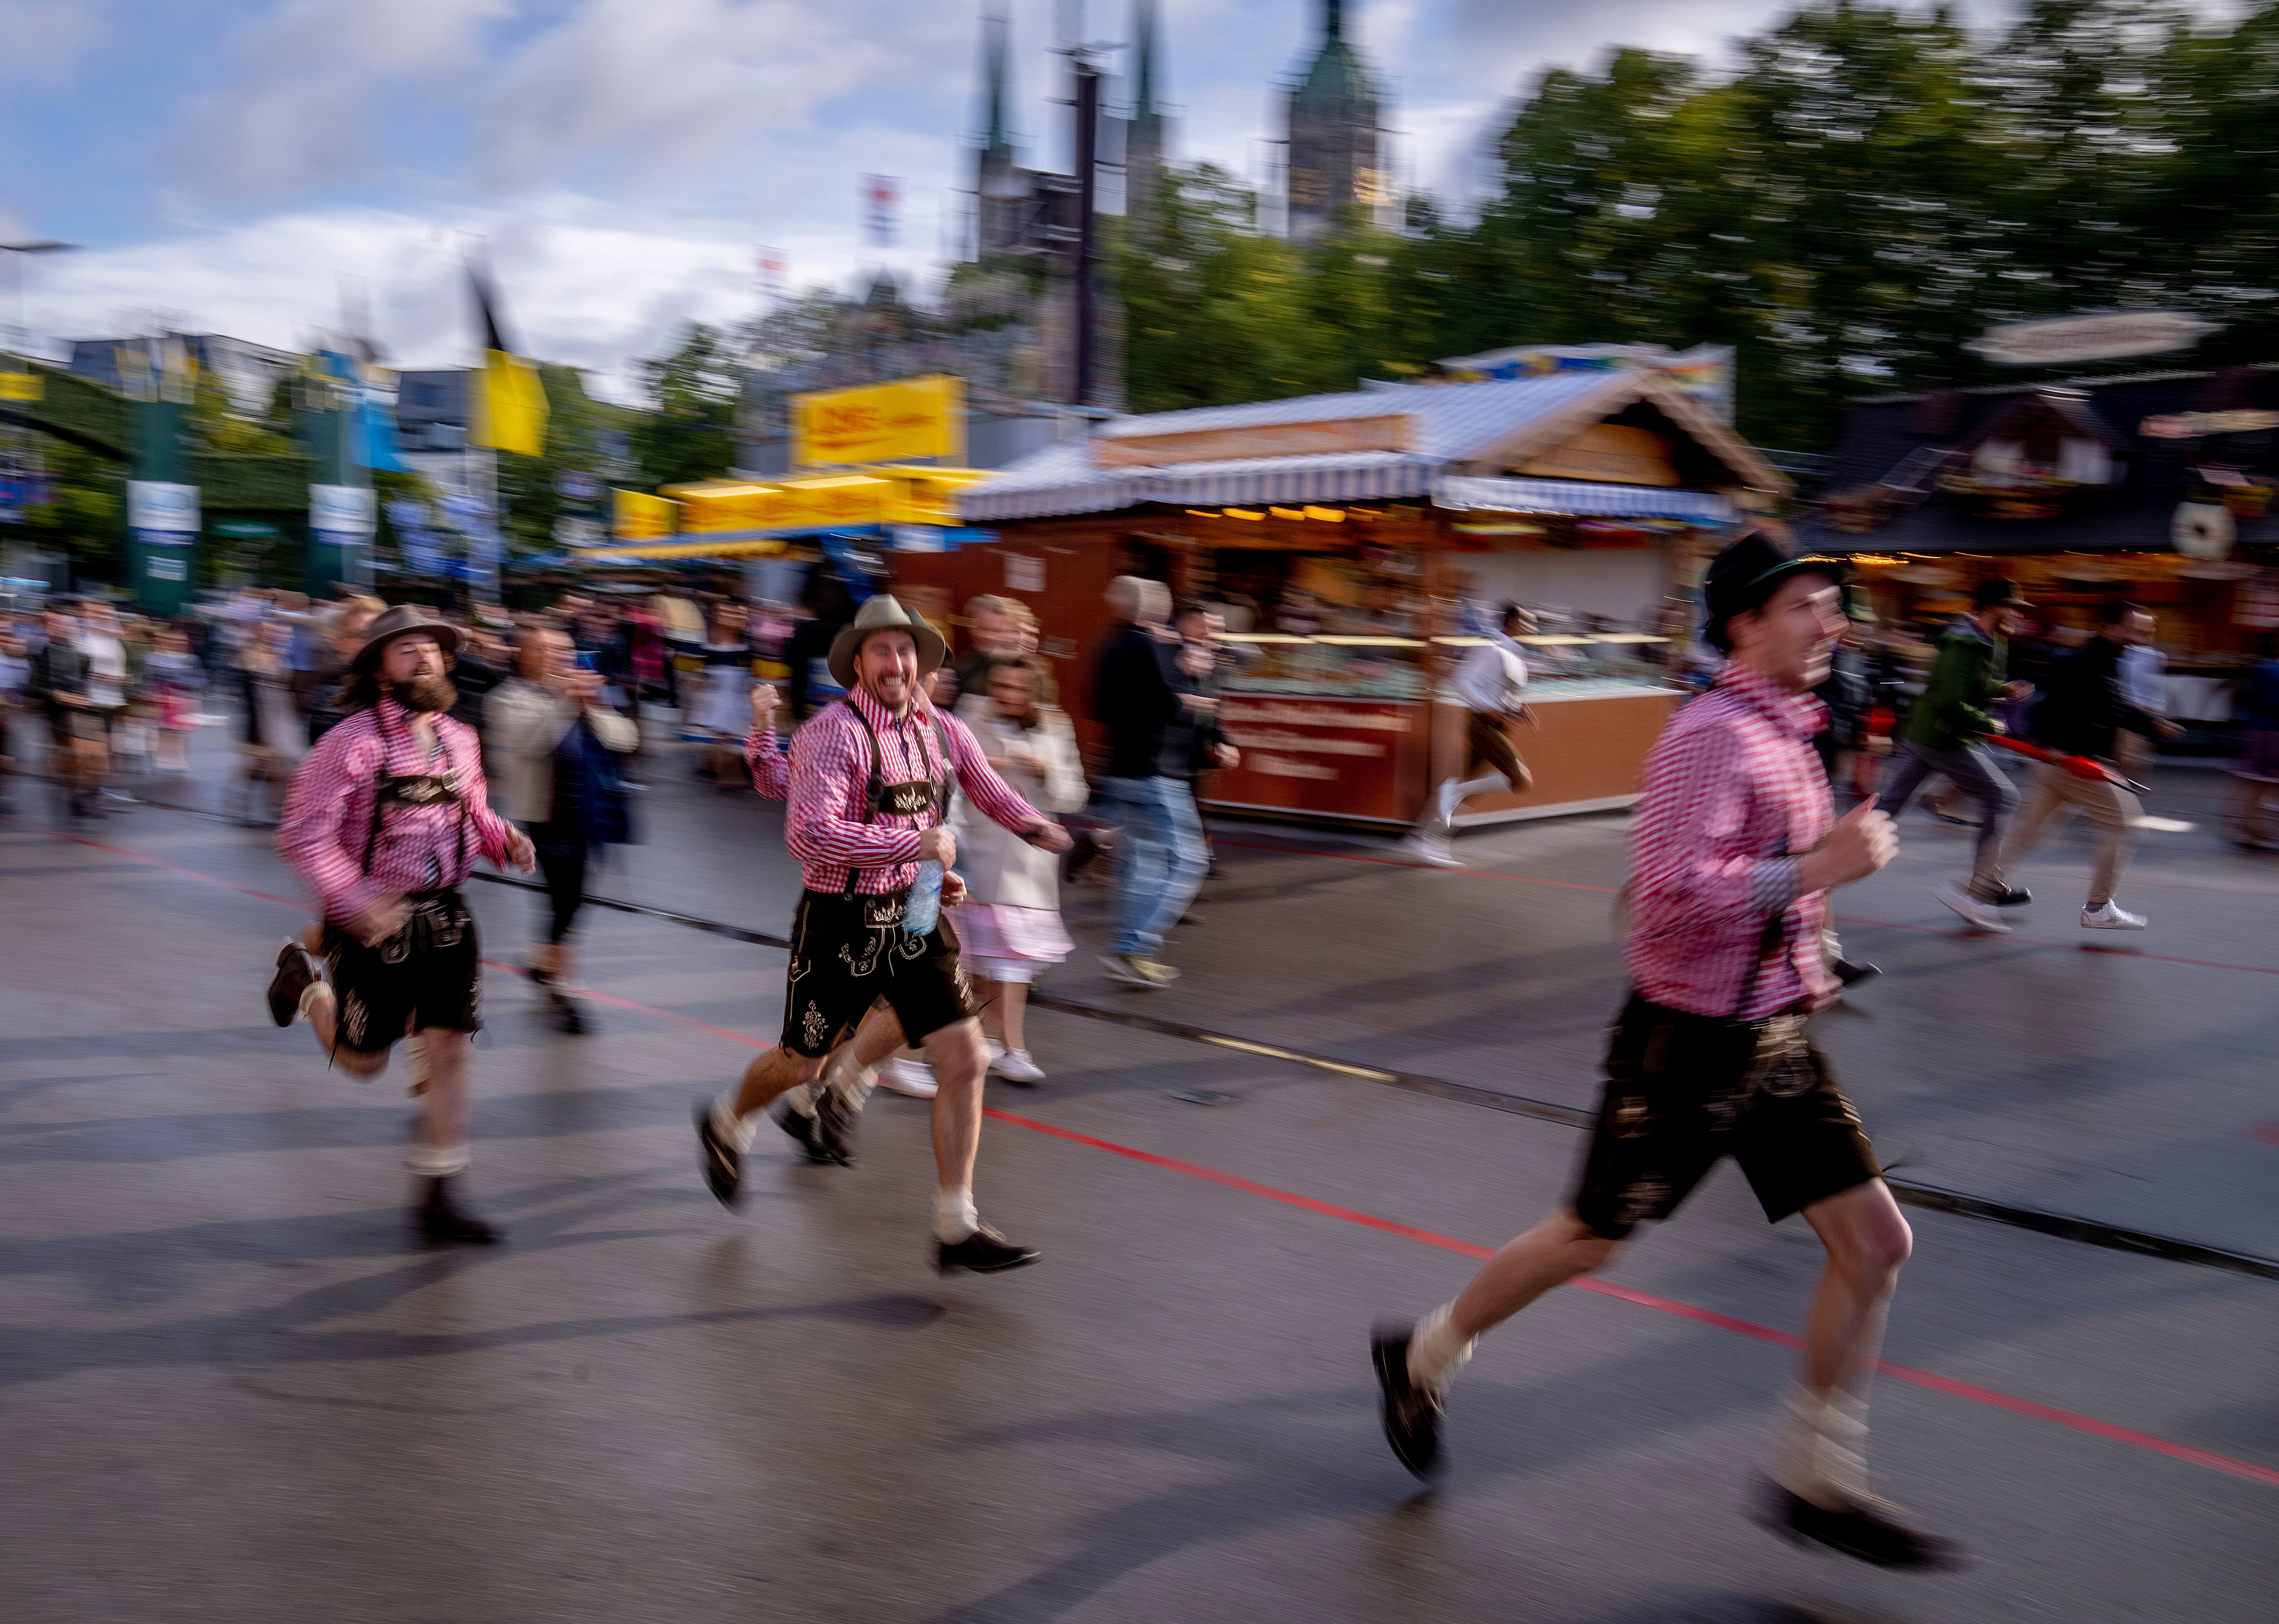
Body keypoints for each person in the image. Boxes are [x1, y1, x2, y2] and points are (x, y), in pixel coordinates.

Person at [1369, 532, 1952, 1568]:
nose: (1832, 624)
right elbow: (1670, 900)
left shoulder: (1787, 733)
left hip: (1770, 1035)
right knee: (1589, 1240)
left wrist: (1811, 928)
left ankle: (1816, 1474)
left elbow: (1764, 884)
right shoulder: (1709, 737)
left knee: (1876, 1243)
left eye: (1833, 607)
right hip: (1683, 1044)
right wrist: (1815, 868)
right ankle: (1423, 1354)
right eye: (1808, 607)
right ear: (1745, 624)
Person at [691, 595, 1071, 1272]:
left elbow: (985, 788)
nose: (897, 663)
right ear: (858, 663)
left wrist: (1041, 830)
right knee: (801, 1062)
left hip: (917, 916)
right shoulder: (831, 733)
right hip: (838, 920)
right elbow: (809, 832)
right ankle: (728, 1118)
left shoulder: (938, 728)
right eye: (882, 651)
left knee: (967, 1056)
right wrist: (917, 846)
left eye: (907, 651)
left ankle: (955, 1224)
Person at [263, 606, 537, 1244]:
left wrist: (505, 841)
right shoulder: (350, 743)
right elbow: (302, 836)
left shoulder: (459, 739)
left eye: (435, 650)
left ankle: (440, 1195)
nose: (428, 660)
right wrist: (353, 901)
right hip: (373, 924)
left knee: (448, 1051)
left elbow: (473, 812)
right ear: (381, 670)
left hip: (447, 916)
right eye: (409, 650)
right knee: (364, 1063)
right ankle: (305, 981)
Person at [486, 623, 640, 1033]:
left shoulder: (580, 694)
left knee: (571, 899)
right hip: (543, 815)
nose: (556, 657)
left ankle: (541, 963)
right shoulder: (508, 699)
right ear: (524, 654)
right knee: (565, 897)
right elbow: (532, 743)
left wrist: (595, 704)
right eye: (544, 648)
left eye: (563, 649)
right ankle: (566, 988)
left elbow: (626, 738)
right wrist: (569, 702)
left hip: (588, 812)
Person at [1998, 601, 2179, 930]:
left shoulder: (2098, 658)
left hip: (2057, 761)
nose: (2138, 637)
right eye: (2132, 629)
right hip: (2072, 762)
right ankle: (2098, 907)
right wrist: (2153, 724)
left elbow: (2091, 706)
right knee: (2127, 824)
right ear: (2108, 627)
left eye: (2144, 631)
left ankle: (1976, 887)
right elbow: (2115, 711)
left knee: (2030, 832)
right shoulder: (2096, 661)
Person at [950, 655, 1089, 1083]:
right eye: (1002, 687)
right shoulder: (970, 719)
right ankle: (987, 1041)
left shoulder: (1055, 725)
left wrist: (1046, 771)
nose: (1009, 696)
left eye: (1020, 688)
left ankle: (1012, 1047)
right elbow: (949, 784)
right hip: (979, 859)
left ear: (1037, 691)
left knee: (1011, 966)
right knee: (980, 967)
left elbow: (1075, 795)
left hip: (1029, 871)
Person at [1873, 577, 2034, 933]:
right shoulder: (1963, 643)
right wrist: (1989, 723)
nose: (2018, 615)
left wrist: (2000, 688)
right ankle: (1979, 891)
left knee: (1889, 807)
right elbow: (1950, 699)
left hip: (1930, 734)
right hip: (1940, 736)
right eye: (2012, 607)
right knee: (2002, 796)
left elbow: (1969, 685)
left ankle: (1820, 858)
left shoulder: (1993, 640)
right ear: (1992, 608)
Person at [1093, 576, 1211, 987]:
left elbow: (1101, 706)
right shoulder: (1150, 645)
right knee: (1188, 860)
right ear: (1151, 607)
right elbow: (1167, 701)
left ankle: (1129, 950)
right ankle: (1136, 946)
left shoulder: (1107, 645)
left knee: (1140, 864)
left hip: (1121, 769)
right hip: (1157, 769)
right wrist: (1192, 697)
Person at [1402, 602, 1535, 867]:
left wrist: (1516, 709)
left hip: (1494, 726)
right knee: (1521, 780)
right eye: (1526, 622)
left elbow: (1497, 689)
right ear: (1511, 623)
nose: (1530, 627)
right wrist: (1488, 709)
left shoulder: (1512, 652)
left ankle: (1423, 839)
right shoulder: (1491, 648)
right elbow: (1461, 680)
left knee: (1467, 791)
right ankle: (1452, 793)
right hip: (1482, 725)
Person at [26, 604, 100, 819]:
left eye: (57, 622)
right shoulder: (38, 650)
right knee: (69, 752)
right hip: (52, 709)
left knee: (89, 754)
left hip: (77, 708)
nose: (53, 627)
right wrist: (57, 696)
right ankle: (73, 793)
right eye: (48, 622)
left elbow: (83, 680)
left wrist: (80, 696)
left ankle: (82, 791)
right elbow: (33, 687)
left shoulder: (81, 654)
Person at [690, 598, 757, 784]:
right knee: (724, 736)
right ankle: (726, 774)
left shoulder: (745, 644)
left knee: (728, 736)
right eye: (724, 613)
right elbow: (705, 672)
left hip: (735, 694)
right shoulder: (711, 641)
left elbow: (748, 673)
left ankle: (715, 768)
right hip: (720, 696)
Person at [2227, 635, 2279, 851]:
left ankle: (2249, 827)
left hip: (2258, 730)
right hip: (2270, 732)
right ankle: (2250, 828)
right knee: (2264, 782)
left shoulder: (2260, 665)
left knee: (2259, 782)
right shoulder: (2272, 669)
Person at [144, 627, 205, 774]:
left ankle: (179, 759)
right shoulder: (154, 658)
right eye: (173, 640)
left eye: (181, 641)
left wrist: (183, 685)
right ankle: (161, 758)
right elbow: (148, 678)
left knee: (181, 731)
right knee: (163, 729)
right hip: (161, 699)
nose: (177, 643)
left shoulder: (192, 660)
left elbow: (200, 681)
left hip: (183, 700)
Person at [2116, 629, 2170, 790]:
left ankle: (2126, 793)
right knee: (2128, 759)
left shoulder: (2155, 657)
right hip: (2129, 713)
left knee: (2140, 761)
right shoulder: (2122, 655)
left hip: (2145, 715)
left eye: (2149, 632)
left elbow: (2157, 687)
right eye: (2138, 632)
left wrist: (2158, 712)